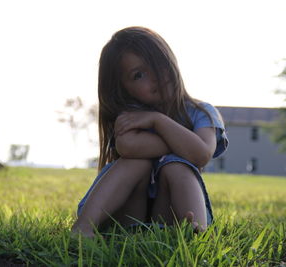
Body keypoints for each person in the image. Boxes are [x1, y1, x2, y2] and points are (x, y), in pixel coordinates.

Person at [71, 26, 228, 238]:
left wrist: (158, 121)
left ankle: (196, 233)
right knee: (137, 161)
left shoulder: (201, 113)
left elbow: (200, 155)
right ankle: (84, 228)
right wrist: (182, 144)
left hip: (170, 216)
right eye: (139, 75)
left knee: (177, 166)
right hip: (128, 216)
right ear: (123, 89)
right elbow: (127, 147)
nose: (155, 76)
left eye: (158, 64)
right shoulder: (131, 116)